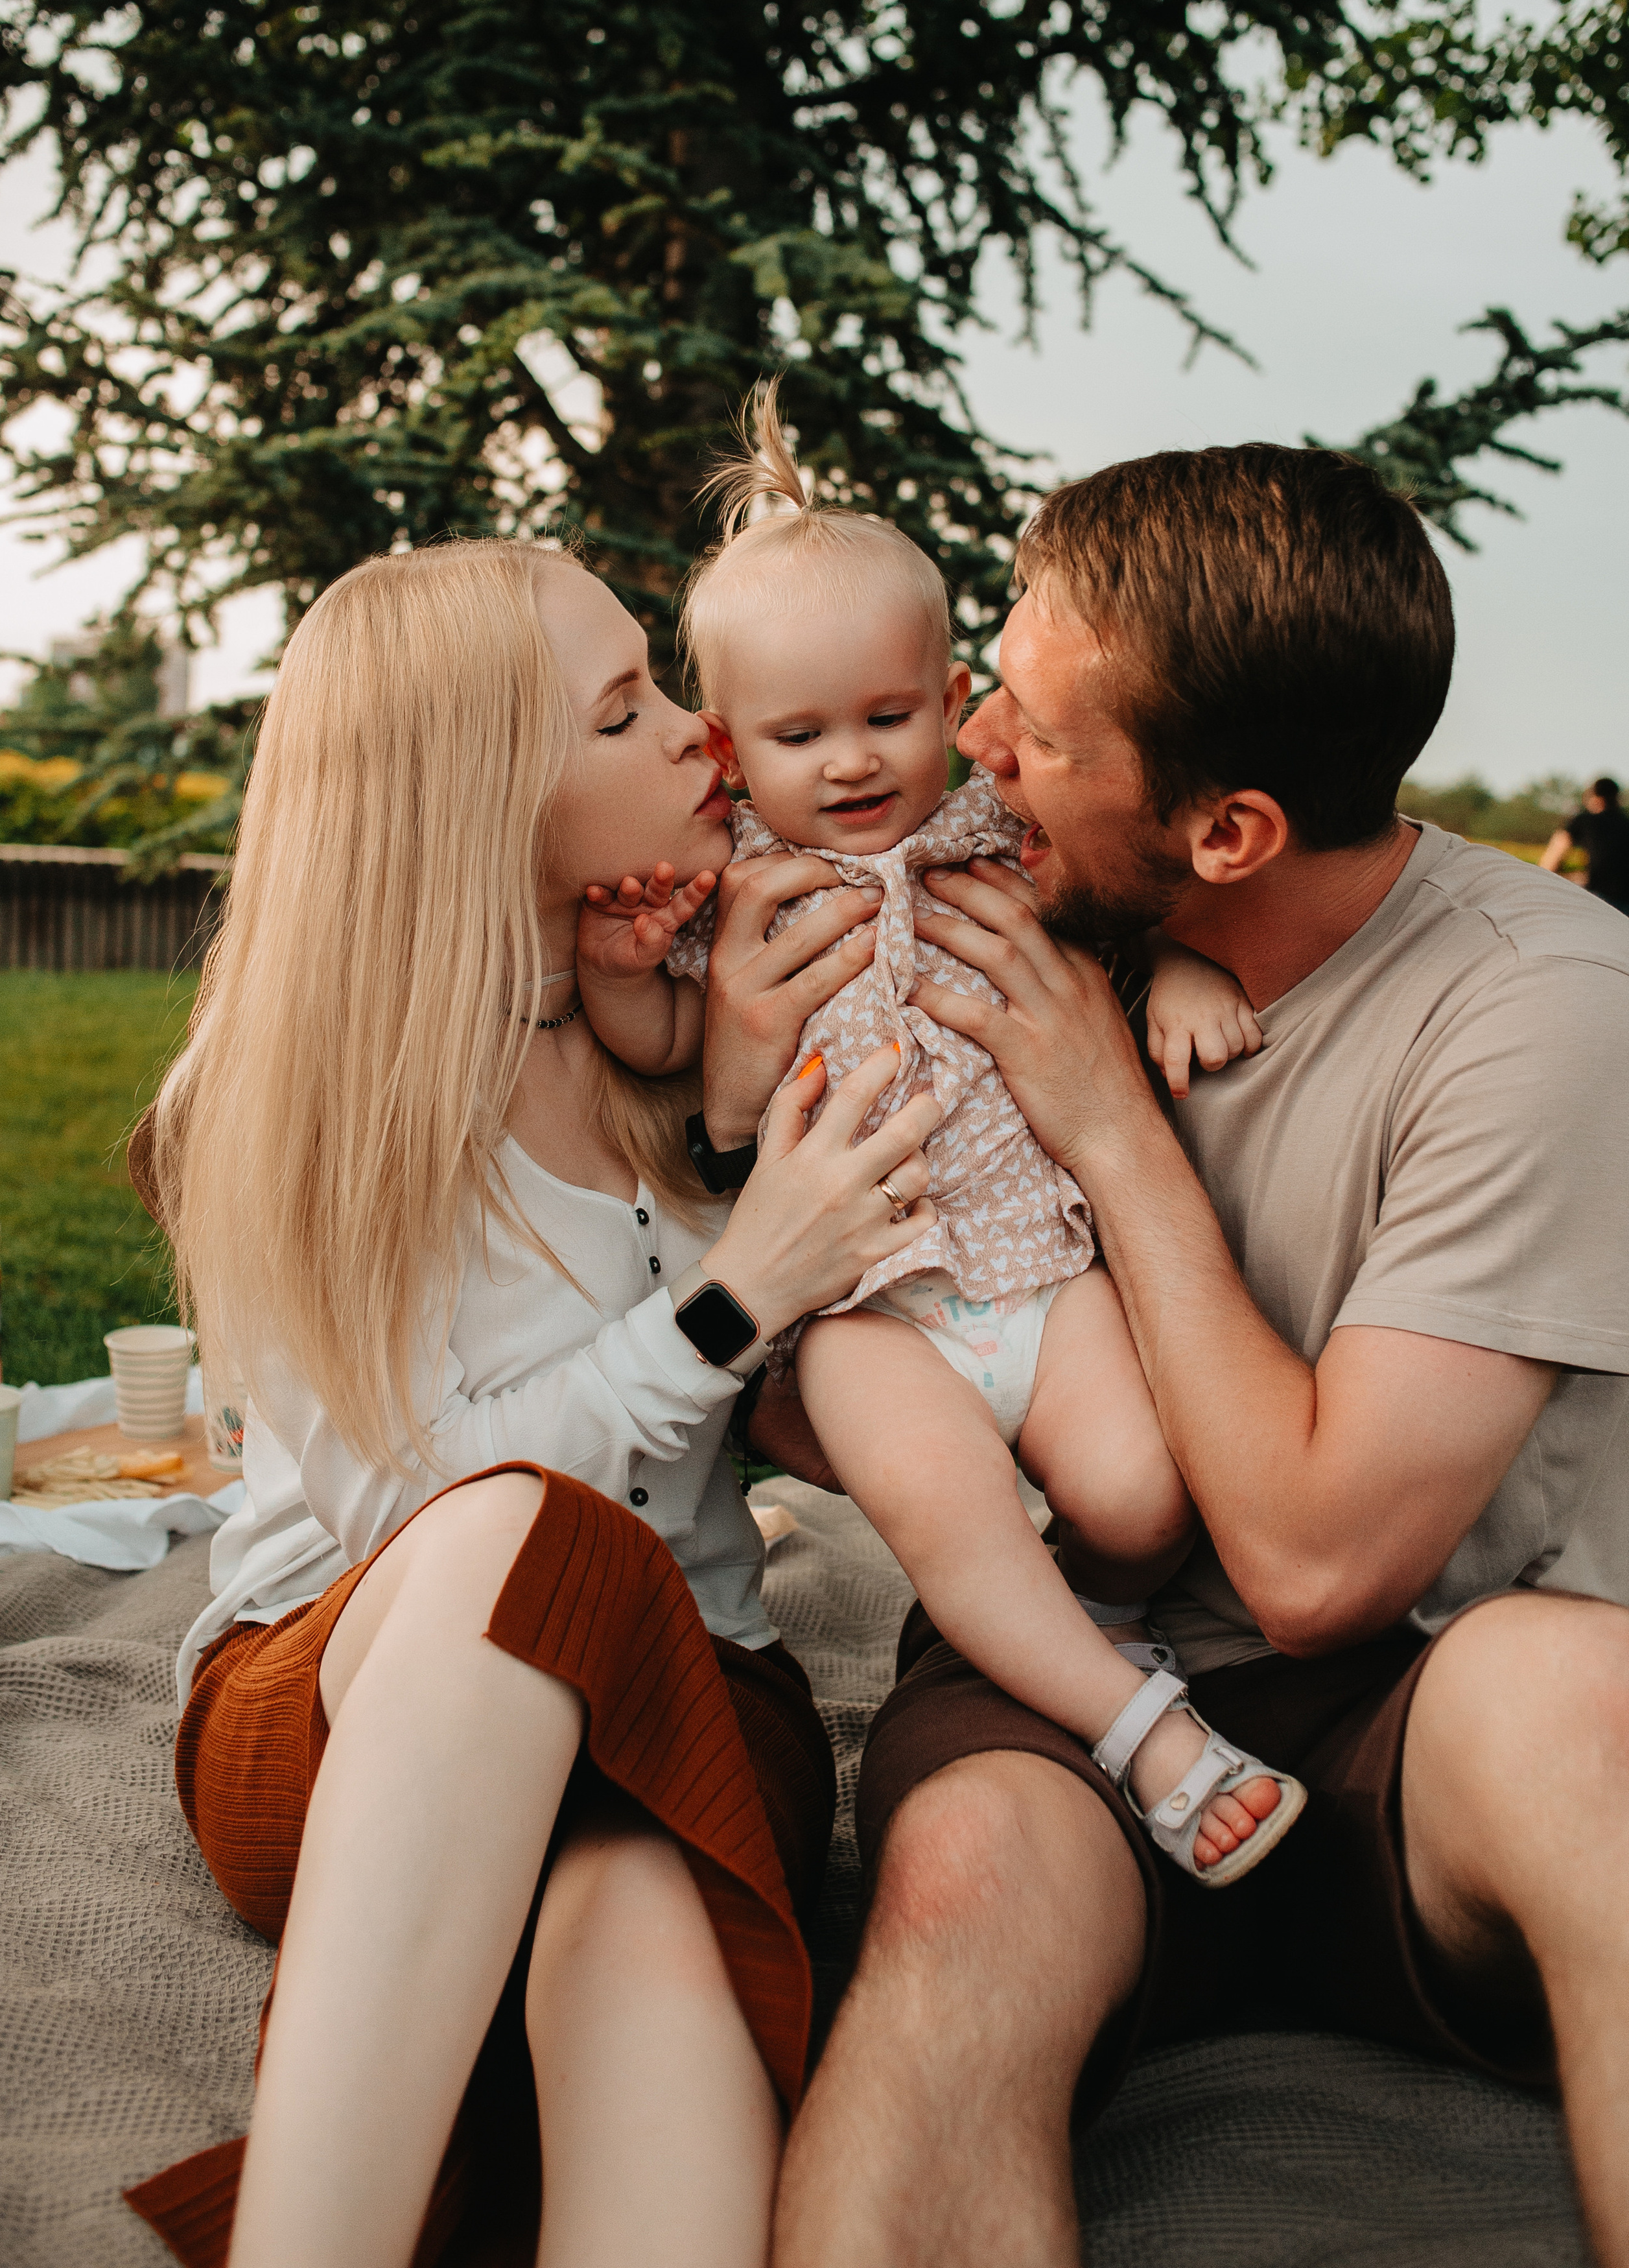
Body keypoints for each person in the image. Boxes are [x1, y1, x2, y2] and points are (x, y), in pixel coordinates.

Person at [756, 444, 1629, 2268]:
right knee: (962, 1890)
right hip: (1083, 1667)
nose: (970, 743)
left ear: (1226, 831)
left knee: (1591, 1715)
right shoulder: (994, 903)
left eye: (1033, 725)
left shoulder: (1540, 1013)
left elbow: (1320, 1571)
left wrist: (1115, 1134)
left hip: (1423, 1705)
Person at [119, 536, 948, 2268]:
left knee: (643, 1900)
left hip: (705, 1691)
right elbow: (407, 1519)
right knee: (515, 1544)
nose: (700, 743)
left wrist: (724, 1117)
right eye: (625, 711)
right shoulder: (298, 1086)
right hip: (342, 1697)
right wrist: (729, 1301)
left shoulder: (696, 986)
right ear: (490, 794)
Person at [580, 389, 1298, 1885]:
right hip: (863, 1305)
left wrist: (1172, 964)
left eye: (886, 717)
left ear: (950, 689)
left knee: (1135, 1491)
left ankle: (1067, 1622)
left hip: (1034, 1264)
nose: (846, 760)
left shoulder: (994, 831)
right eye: (797, 732)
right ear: (727, 744)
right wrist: (626, 976)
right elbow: (664, 1054)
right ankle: (1140, 1732)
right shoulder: (736, 882)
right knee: (950, 1514)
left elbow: (1111, 912)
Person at [1541, 775, 1629, 915]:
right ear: (1617, 799)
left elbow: (1551, 862)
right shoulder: (1626, 824)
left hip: (1600, 902)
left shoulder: (1584, 821)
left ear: (1594, 797)